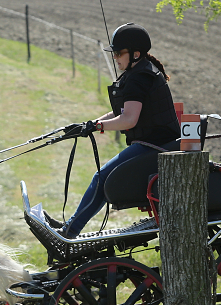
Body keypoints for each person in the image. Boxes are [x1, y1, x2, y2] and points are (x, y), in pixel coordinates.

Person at [54, 23, 180, 238]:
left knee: (102, 177)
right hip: (154, 143)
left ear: (136, 53)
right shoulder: (139, 72)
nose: (115, 57)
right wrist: (90, 124)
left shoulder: (140, 77)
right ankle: (71, 225)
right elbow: (121, 112)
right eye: (114, 53)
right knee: (102, 177)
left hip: (156, 146)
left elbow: (129, 120)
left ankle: (69, 231)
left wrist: (98, 126)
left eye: (119, 53)